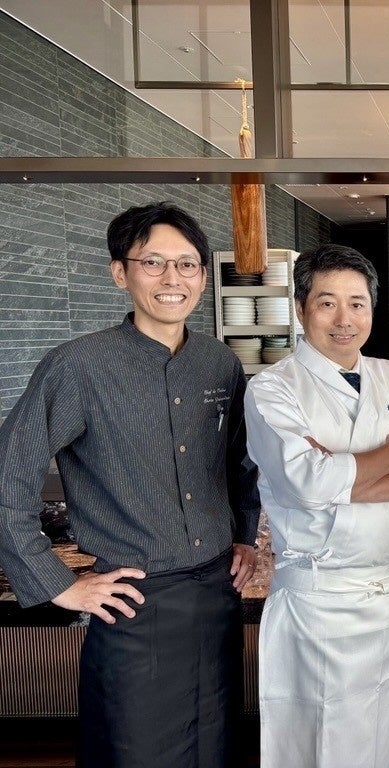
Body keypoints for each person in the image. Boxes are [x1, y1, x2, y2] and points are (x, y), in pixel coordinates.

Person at [0, 201, 261, 767]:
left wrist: (244, 536)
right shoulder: (79, 365)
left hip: (217, 597)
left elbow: (239, 463)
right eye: (153, 263)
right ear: (120, 272)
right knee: (134, 752)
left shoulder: (219, 363)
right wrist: (55, 581)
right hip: (134, 604)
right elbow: (9, 470)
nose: (174, 279)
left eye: (187, 265)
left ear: (204, 275)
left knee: (215, 749)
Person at [244, 244, 389, 768]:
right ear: (299, 308)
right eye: (327, 303)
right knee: (315, 741)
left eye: (357, 304)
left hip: (384, 594)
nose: (345, 320)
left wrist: (346, 479)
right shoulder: (272, 388)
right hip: (316, 599)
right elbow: (305, 480)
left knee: (377, 740)